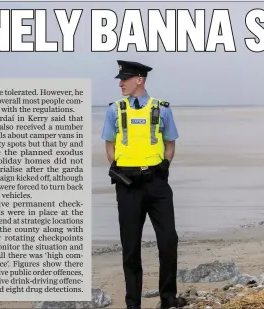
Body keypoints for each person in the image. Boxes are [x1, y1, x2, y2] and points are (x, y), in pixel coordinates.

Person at [101, 60, 185, 309]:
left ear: (139, 79)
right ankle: (133, 304)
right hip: (127, 186)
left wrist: (164, 166)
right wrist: (118, 167)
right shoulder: (114, 110)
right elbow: (109, 144)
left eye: (124, 79)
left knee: (169, 240)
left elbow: (170, 143)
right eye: (120, 79)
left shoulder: (162, 109)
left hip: (156, 184)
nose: (120, 83)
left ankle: (168, 299)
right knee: (130, 245)